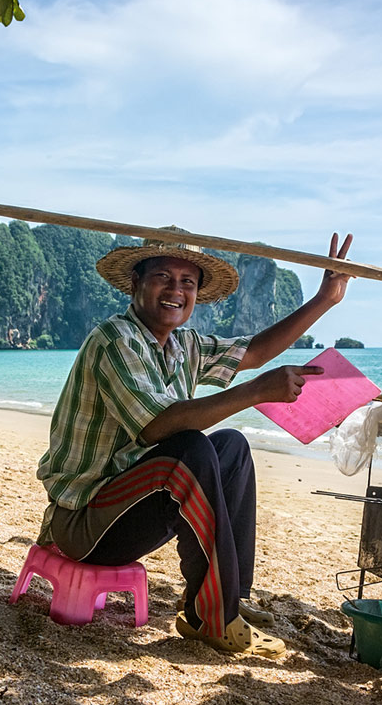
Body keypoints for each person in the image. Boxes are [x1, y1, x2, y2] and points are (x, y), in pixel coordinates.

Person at [35, 229, 353, 658]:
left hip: (129, 507)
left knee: (231, 447)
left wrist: (325, 300)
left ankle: (226, 597)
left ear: (197, 295)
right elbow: (157, 427)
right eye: (162, 277)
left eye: (188, 282)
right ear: (136, 284)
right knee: (189, 449)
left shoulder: (183, 344)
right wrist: (255, 392)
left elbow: (254, 352)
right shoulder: (115, 340)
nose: (175, 290)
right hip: (83, 524)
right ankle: (212, 618)